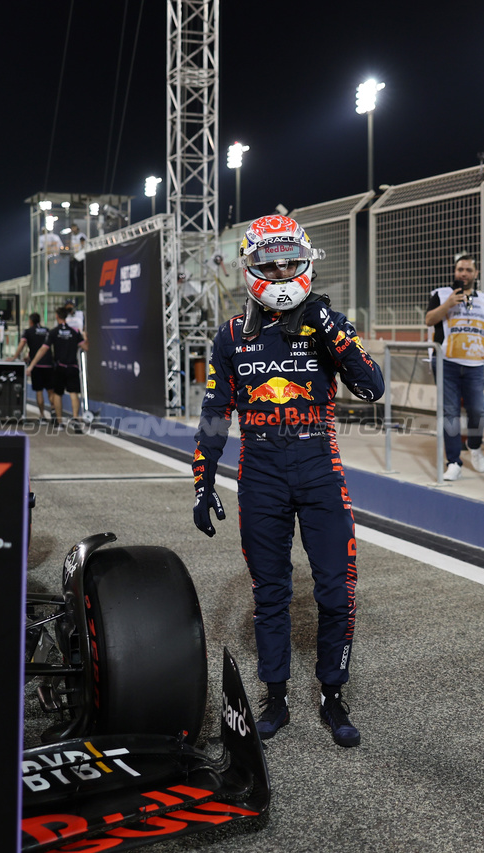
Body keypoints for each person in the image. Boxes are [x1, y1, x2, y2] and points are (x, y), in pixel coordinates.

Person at [192, 214, 384, 749]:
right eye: (268, 261)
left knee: (336, 592)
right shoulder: (231, 335)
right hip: (261, 474)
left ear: (305, 261)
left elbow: (372, 388)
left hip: (319, 468)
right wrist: (202, 481)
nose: (279, 271)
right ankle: (275, 696)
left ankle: (331, 695)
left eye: (287, 260)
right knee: (269, 593)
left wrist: (331, 329)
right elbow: (214, 413)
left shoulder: (328, 322)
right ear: (250, 265)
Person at [425, 253, 484, 480]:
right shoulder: (442, 294)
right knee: (450, 413)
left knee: (478, 410)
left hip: (474, 365)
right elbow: (429, 320)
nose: (463, 273)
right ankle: (453, 461)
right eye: (460, 270)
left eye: (468, 270)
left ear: (476, 274)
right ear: (455, 272)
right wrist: (448, 305)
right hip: (446, 364)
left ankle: (474, 445)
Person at [26, 305, 87, 427]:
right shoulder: (75, 331)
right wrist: (85, 336)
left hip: (59, 367)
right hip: (73, 366)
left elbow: (43, 349)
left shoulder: (53, 332)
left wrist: (31, 365)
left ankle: (59, 422)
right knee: (74, 393)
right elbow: (86, 347)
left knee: (57, 394)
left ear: (57, 316)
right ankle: (75, 418)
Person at [14, 312, 51, 421]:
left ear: (30, 321)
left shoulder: (28, 331)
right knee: (51, 391)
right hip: (49, 364)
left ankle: (42, 415)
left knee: (39, 391)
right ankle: (54, 413)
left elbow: (22, 344)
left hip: (36, 365)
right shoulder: (47, 330)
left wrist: (14, 356)